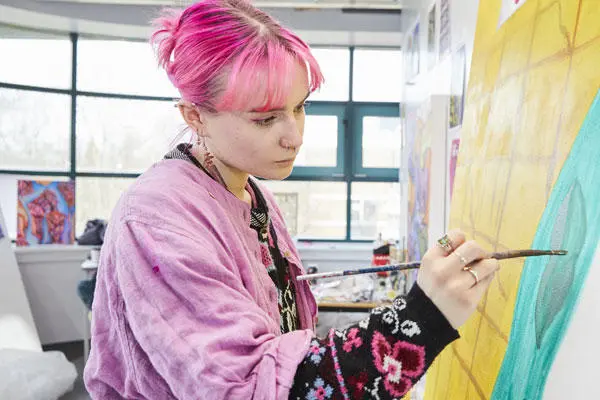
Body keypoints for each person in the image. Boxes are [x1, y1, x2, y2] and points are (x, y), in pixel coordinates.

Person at [83, 0, 499, 398]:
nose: (294, 136)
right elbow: (254, 389)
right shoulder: (157, 219)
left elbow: (286, 339)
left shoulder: (253, 194)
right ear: (194, 116)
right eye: (265, 118)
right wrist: (422, 316)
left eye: (299, 107)